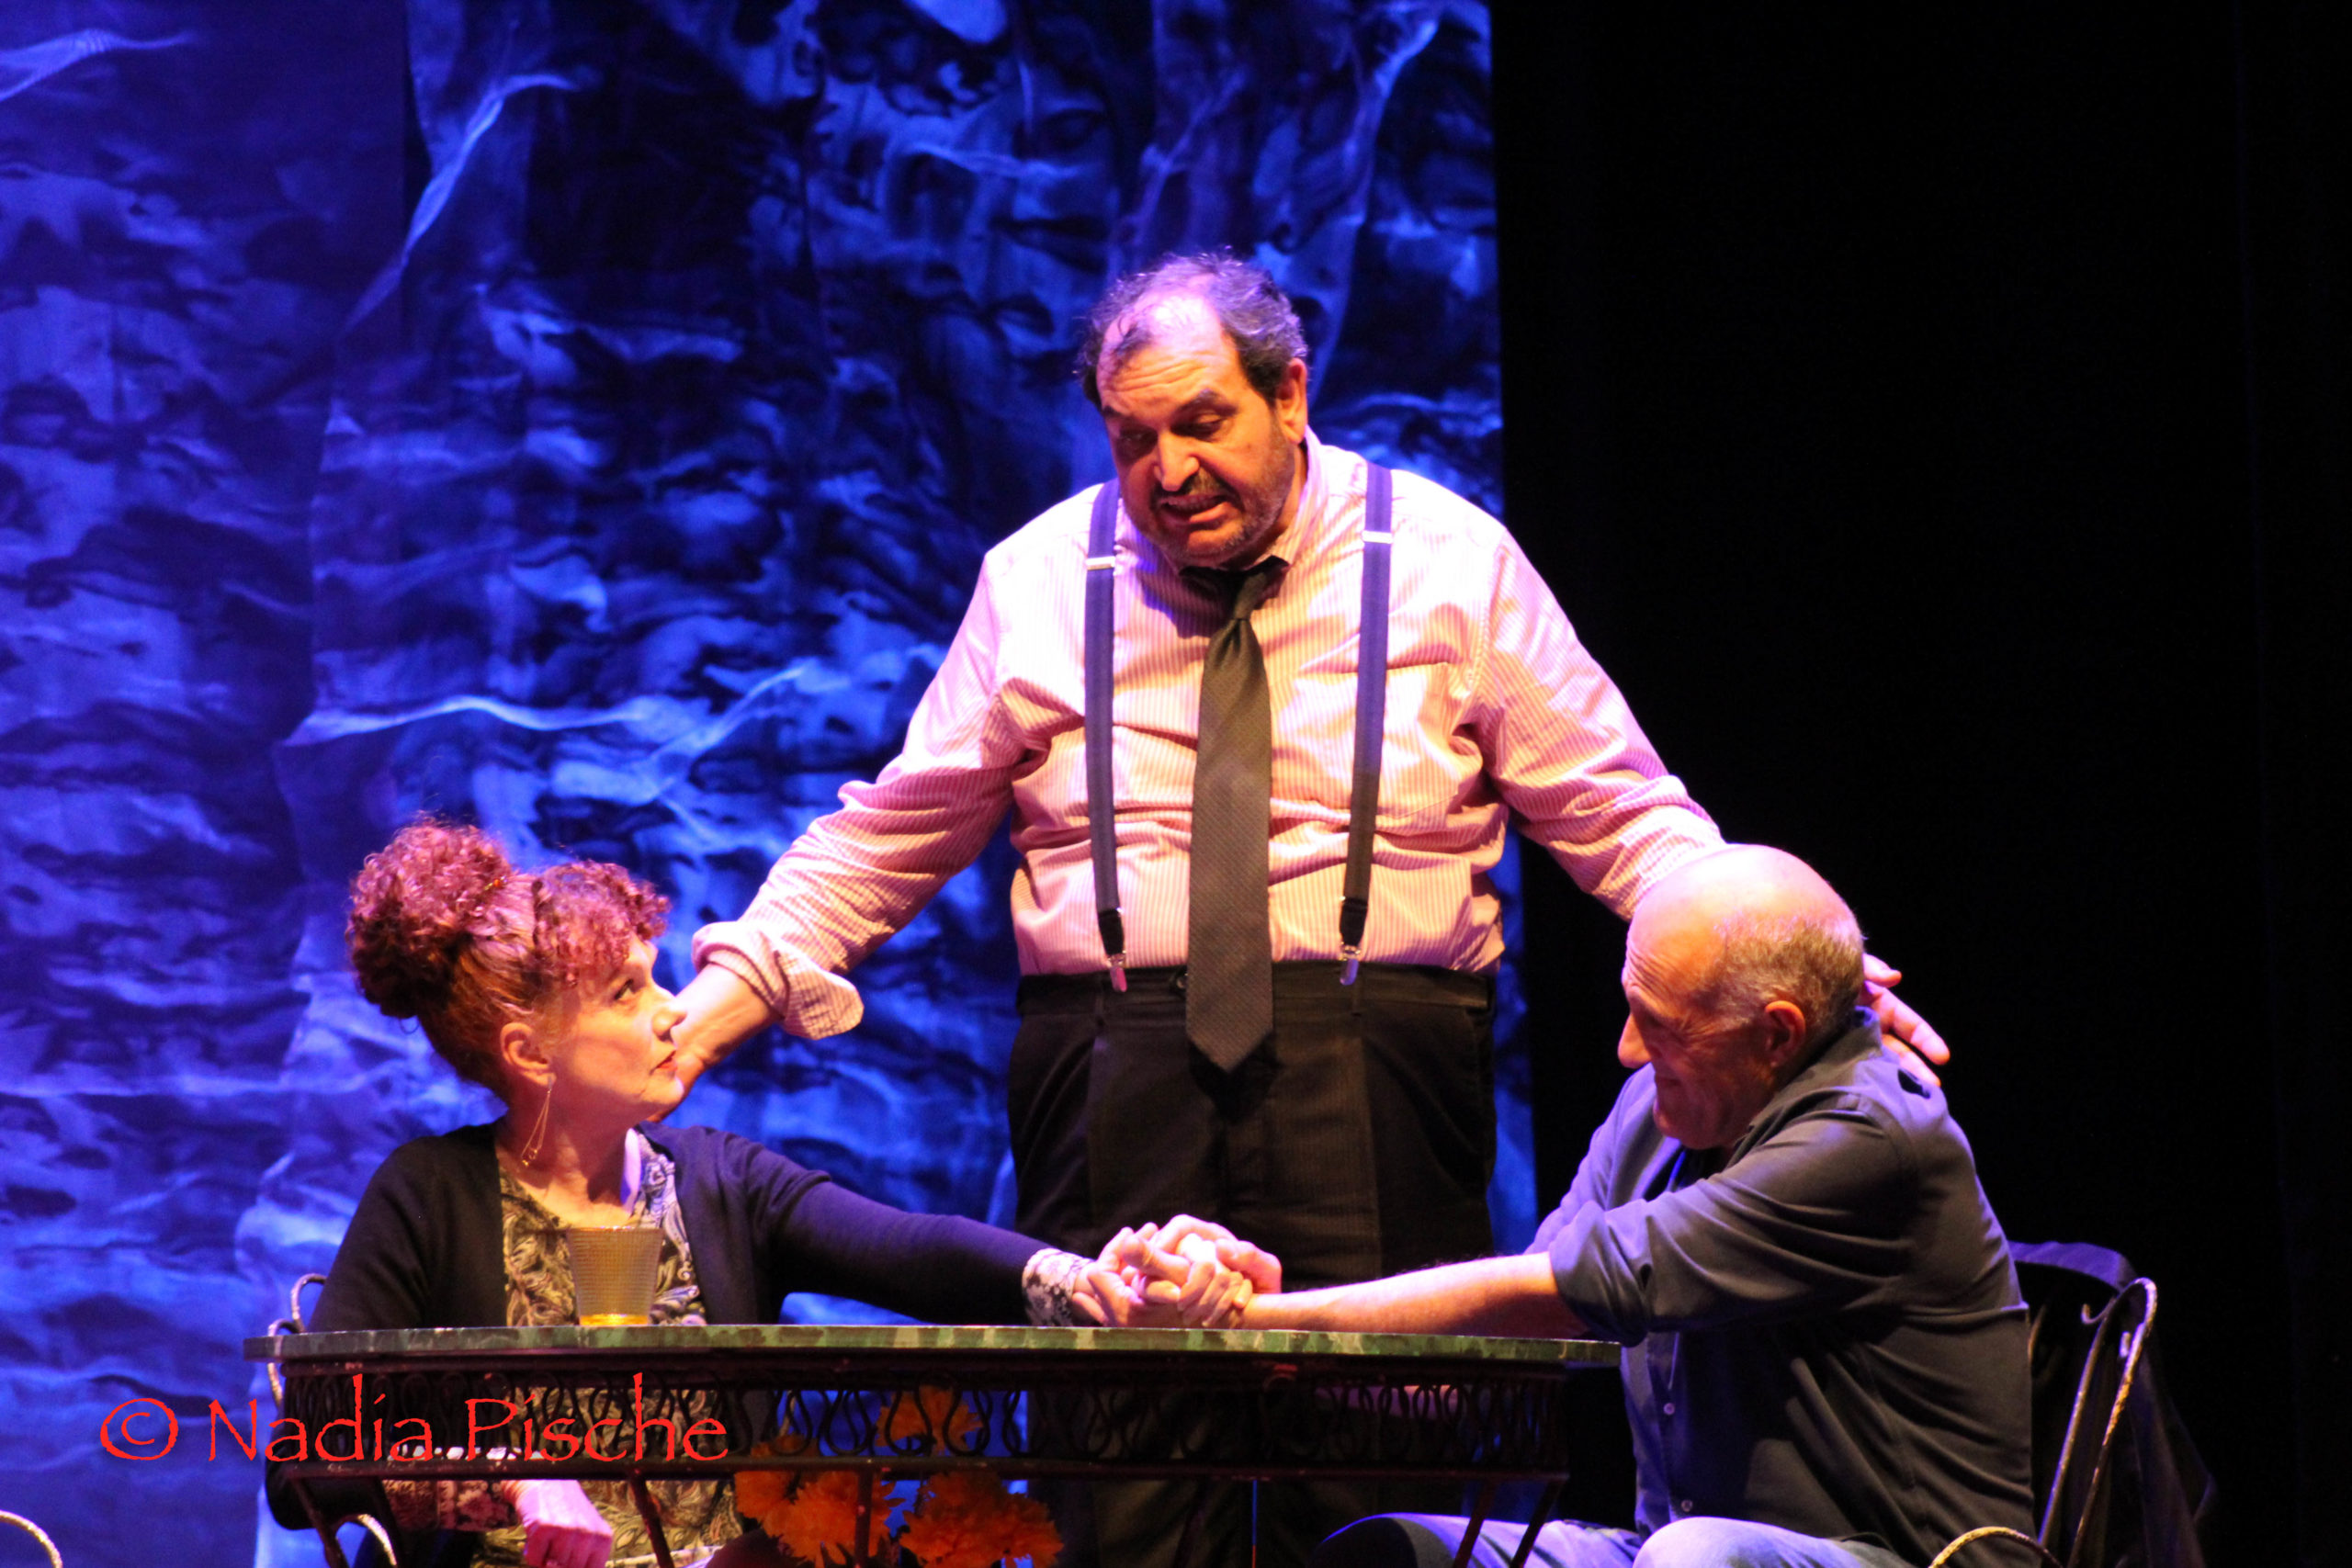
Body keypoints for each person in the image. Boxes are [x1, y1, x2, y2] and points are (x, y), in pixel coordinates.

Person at [666, 254, 1950, 1562]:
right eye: (1132, 438)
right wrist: (720, 1000)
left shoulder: (1450, 561)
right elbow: (896, 825)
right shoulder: (1038, 578)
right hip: (1115, 1071)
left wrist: (1787, 965)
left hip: (1373, 1062)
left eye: (1201, 422)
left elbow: (1619, 809)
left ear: (1290, 392)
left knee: (1379, 1462)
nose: (1167, 470)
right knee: (1117, 1476)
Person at [267, 822, 1248, 1568]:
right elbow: (306, 1459)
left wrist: (1083, 1277)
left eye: (654, 980)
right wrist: (513, 1480)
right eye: (625, 994)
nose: (673, 1013)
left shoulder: (717, 1180)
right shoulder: (430, 1198)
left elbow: (914, 1250)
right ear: (530, 1053)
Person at [1151, 847, 2031, 1568]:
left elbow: (1570, 1289)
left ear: (1777, 1033)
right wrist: (1272, 1329)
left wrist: (1258, 1320)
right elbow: (1513, 1351)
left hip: (1902, 1558)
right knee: (1392, 1551)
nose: (1626, 1050)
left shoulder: (1869, 1137)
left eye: (1661, 1024)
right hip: (1674, 1553)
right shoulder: (1657, 1110)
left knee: (1692, 1556)